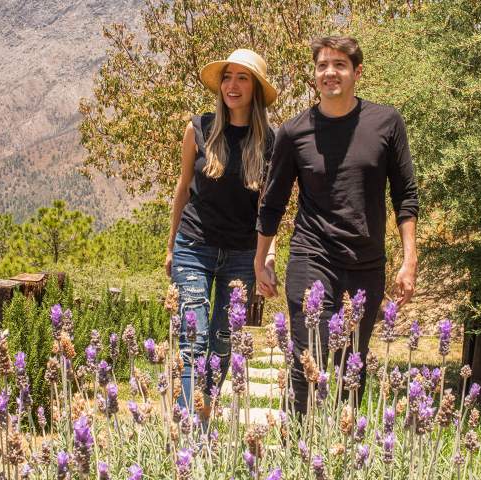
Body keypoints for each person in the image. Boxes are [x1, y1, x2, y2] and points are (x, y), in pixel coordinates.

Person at [254, 36, 419, 414]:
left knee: (351, 367)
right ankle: (299, 454)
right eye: (323, 65)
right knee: (307, 358)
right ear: (314, 76)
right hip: (312, 257)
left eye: (340, 65)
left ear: (357, 72)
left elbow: (405, 196)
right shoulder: (294, 132)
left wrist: (409, 259)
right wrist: (261, 259)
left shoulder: (386, 123)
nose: (330, 72)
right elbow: (272, 202)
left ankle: (341, 455)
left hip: (366, 263)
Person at [165, 48, 277, 410]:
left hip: (242, 256)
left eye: (242, 78)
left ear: (255, 88)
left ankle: (204, 412)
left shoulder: (270, 142)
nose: (232, 85)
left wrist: (267, 256)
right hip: (193, 246)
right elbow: (182, 190)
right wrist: (170, 248)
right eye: (227, 77)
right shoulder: (198, 129)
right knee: (192, 338)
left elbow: (268, 206)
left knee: (224, 339)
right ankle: (188, 428)